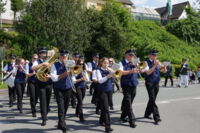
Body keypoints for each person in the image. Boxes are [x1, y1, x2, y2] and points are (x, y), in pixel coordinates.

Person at [51, 49, 73, 133]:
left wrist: (72, 71)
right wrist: (64, 74)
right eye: (62, 56)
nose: (64, 58)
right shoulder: (54, 65)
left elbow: (74, 73)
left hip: (68, 87)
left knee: (66, 106)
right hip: (58, 88)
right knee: (61, 107)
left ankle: (60, 122)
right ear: (59, 56)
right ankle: (63, 125)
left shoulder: (70, 64)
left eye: (65, 56)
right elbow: (54, 78)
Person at [32, 47, 53, 126]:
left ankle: (46, 112)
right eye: (42, 53)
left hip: (49, 83)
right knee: (42, 101)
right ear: (39, 54)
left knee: (47, 100)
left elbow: (53, 71)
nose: (43, 54)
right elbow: (33, 68)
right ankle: (43, 118)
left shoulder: (50, 61)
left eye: (44, 53)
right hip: (40, 83)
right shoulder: (37, 61)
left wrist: (49, 68)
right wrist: (43, 64)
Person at [92, 57, 114, 133]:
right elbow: (100, 81)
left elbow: (116, 77)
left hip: (109, 90)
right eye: (105, 63)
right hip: (102, 91)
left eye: (107, 63)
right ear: (101, 63)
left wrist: (112, 73)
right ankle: (108, 127)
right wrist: (107, 76)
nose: (106, 64)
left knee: (105, 107)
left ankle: (101, 120)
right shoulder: (98, 71)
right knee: (106, 109)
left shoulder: (109, 70)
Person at [119, 50, 138, 128]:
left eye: (133, 55)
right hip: (125, 84)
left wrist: (138, 68)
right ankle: (132, 121)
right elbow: (120, 72)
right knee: (128, 102)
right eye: (130, 55)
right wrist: (130, 71)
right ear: (126, 55)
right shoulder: (121, 63)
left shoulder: (134, 62)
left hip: (134, 83)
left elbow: (140, 70)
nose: (131, 57)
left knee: (130, 101)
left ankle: (123, 116)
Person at [143, 49, 162, 125]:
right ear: (150, 55)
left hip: (156, 82)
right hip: (149, 82)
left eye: (156, 55)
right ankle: (156, 117)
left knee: (152, 99)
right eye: (154, 55)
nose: (155, 56)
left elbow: (163, 70)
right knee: (152, 99)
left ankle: (147, 114)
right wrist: (155, 65)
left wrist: (164, 68)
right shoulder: (145, 63)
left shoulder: (158, 61)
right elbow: (148, 72)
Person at [72, 58, 89, 122]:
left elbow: (87, 79)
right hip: (77, 87)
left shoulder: (84, 70)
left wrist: (86, 78)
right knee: (80, 101)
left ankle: (77, 111)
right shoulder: (75, 70)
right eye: (80, 64)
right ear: (77, 64)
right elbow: (73, 80)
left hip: (83, 86)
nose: (81, 65)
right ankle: (81, 116)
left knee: (81, 100)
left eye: (82, 64)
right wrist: (80, 79)